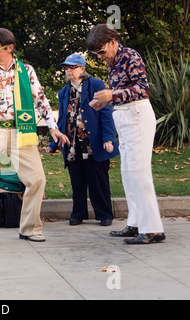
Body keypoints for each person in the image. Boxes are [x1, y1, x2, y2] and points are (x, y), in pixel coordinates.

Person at [0, 28, 69, 245]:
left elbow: (41, 100)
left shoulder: (26, 71)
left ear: (10, 48)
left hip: (22, 131)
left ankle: (29, 228)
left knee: (37, 179)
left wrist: (53, 127)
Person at [85, 24, 165, 244]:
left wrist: (112, 94)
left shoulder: (130, 56)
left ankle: (153, 229)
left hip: (137, 114)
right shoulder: (113, 62)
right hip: (124, 115)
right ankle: (136, 223)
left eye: (101, 51)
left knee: (139, 172)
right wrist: (104, 102)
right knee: (128, 173)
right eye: (95, 54)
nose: (100, 56)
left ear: (113, 41)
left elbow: (142, 88)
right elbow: (119, 95)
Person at [46, 53, 119, 226]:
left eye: (73, 67)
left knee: (98, 181)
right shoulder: (64, 92)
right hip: (72, 144)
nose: (69, 71)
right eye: (66, 68)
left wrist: (108, 138)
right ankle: (78, 213)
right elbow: (62, 119)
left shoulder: (95, 85)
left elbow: (106, 113)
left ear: (82, 69)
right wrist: (54, 143)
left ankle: (104, 214)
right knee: (77, 181)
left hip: (93, 142)